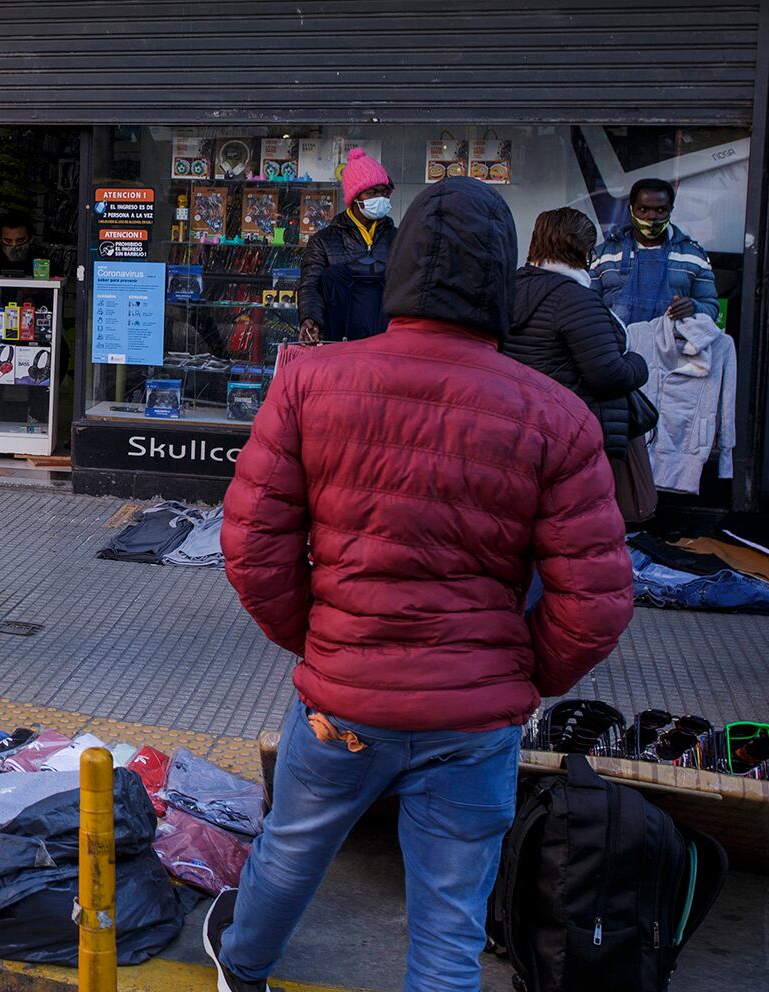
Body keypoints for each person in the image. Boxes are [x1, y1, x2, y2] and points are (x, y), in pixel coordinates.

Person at [206, 177, 635, 992]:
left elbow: (253, 546)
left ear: (398, 267)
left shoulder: (309, 380)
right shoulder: (555, 414)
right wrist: (515, 673)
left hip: (344, 698)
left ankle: (244, 969)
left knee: (292, 847)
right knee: (448, 919)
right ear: (500, 278)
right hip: (474, 716)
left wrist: (326, 641)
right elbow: (598, 599)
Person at [507, 208, 650, 512]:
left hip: (518, 427)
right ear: (584, 250)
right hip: (571, 430)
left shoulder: (510, 289)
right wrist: (639, 363)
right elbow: (608, 375)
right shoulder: (577, 300)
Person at [296, 147, 397, 343]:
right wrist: (310, 319)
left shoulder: (399, 238)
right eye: (373, 193)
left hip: (387, 340)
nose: (381, 199)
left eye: (385, 193)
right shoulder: (324, 240)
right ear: (355, 197)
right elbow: (310, 285)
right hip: (339, 338)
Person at [591, 178, 718, 326]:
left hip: (671, 346)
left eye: (660, 210)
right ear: (631, 209)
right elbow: (586, 306)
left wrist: (694, 307)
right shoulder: (603, 255)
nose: (652, 217)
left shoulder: (693, 256)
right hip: (617, 346)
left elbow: (712, 308)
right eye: (643, 209)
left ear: (671, 210)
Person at [0, 211, 52, 277]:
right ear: (0, 239)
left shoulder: (44, 264)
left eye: (20, 240)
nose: (14, 245)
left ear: (31, 239)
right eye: (8, 241)